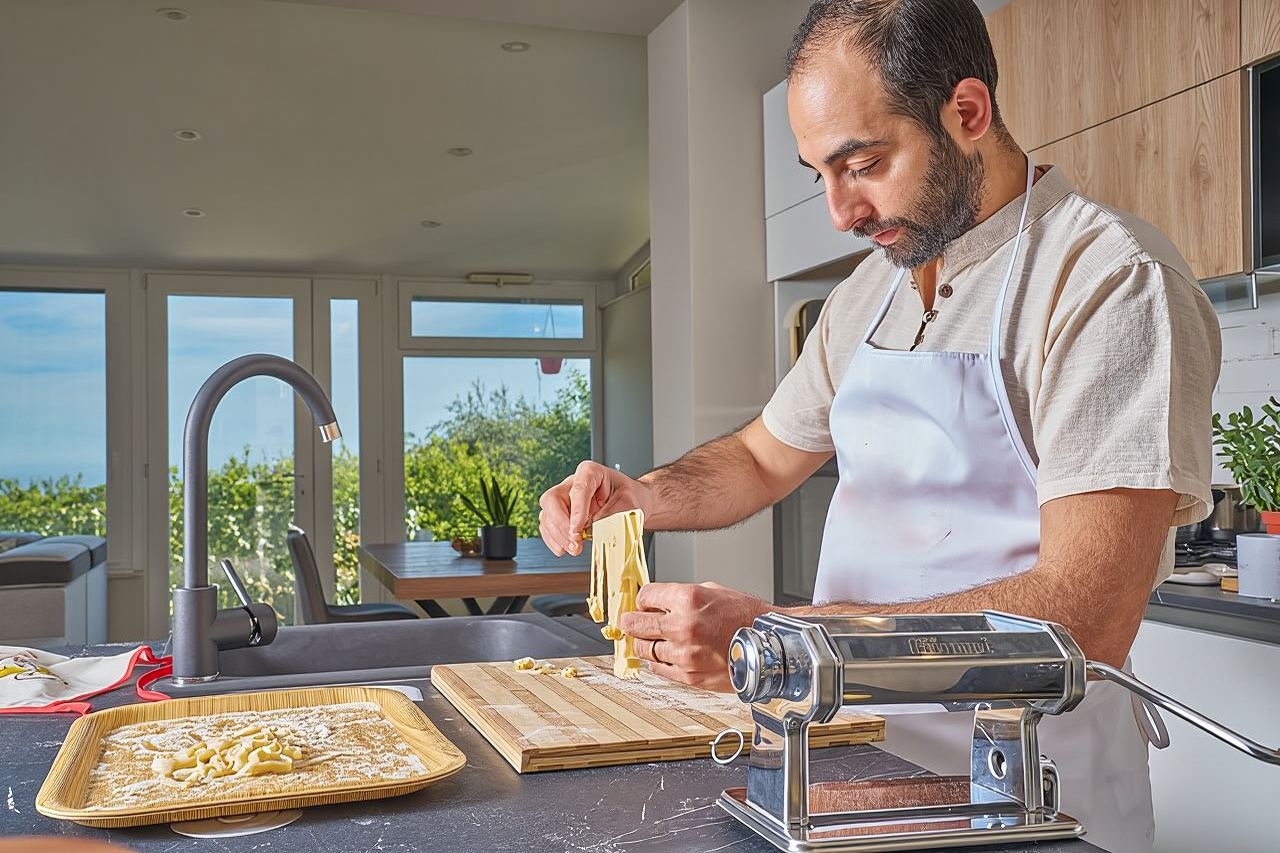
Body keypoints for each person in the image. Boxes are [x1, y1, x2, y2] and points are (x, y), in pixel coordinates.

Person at [539, 1, 1220, 850]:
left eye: (861, 164)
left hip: (1025, 798)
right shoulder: (870, 294)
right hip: (848, 771)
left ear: (967, 112)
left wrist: (778, 641)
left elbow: (1081, 617)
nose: (838, 212)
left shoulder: (1109, 280)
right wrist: (639, 495)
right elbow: (758, 456)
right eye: (818, 174)